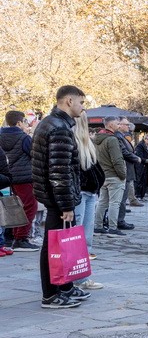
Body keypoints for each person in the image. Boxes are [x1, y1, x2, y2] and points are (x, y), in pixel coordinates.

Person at [32, 85, 92, 308]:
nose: (82, 107)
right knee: (53, 245)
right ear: (69, 101)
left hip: (54, 196)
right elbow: (59, 171)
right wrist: (66, 205)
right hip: (57, 199)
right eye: (81, 102)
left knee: (60, 243)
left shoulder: (51, 124)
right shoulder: (58, 128)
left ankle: (65, 287)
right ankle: (51, 294)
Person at [71, 114, 104, 289]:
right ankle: (77, 278)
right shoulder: (71, 140)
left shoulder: (86, 143)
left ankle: (82, 277)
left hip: (90, 192)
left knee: (85, 238)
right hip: (80, 193)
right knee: (76, 237)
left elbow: (93, 167)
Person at [0, 110, 40, 251]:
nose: (26, 125)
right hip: (25, 177)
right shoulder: (24, 138)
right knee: (30, 206)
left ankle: (13, 236)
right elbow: (34, 155)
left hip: (9, 177)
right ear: (19, 123)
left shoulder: (1, 136)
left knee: (16, 207)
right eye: (25, 122)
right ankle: (21, 238)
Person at [93, 115, 128, 236]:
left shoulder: (97, 139)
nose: (119, 125)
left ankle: (98, 226)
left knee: (102, 202)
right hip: (114, 175)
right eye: (117, 123)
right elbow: (117, 159)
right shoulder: (111, 139)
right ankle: (113, 228)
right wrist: (122, 175)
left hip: (103, 175)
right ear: (111, 125)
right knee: (114, 203)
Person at [134, 133, 148, 200]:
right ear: (144, 139)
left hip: (147, 166)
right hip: (141, 165)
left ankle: (141, 196)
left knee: (145, 181)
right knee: (140, 180)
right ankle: (138, 195)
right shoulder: (140, 146)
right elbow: (139, 157)